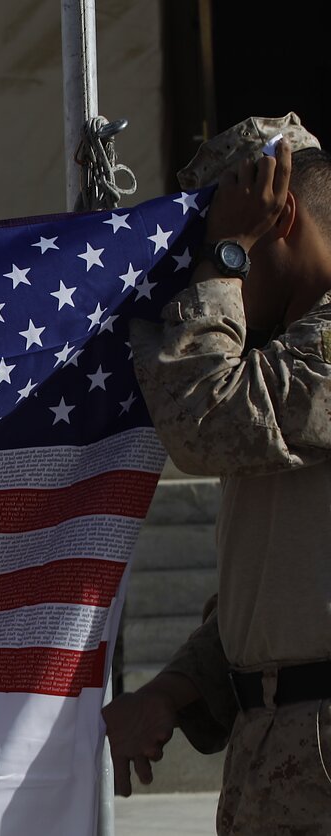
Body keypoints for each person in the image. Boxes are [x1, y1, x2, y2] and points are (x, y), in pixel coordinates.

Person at [109, 111, 331, 833]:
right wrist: (171, 692)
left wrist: (228, 251)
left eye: (204, 247)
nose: (196, 273)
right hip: (279, 753)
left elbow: (204, 422)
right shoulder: (284, 361)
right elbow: (277, 600)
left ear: (281, 215)